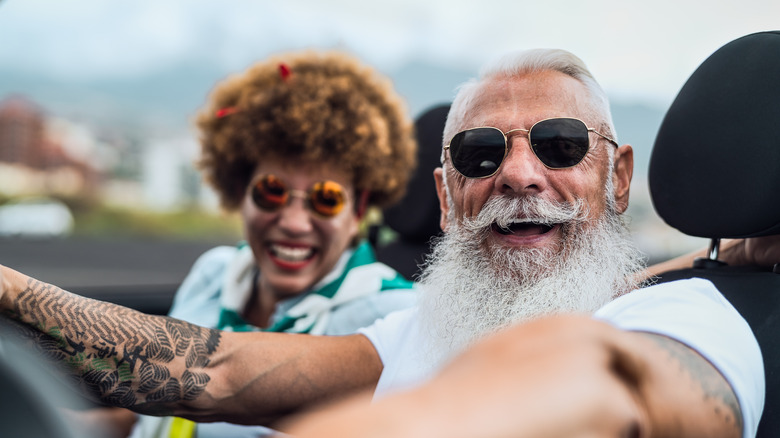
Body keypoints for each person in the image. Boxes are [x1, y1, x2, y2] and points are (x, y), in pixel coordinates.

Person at [0, 48, 773, 438]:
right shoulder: (420, 325)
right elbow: (221, 371)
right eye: (478, 154)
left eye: (561, 145)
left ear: (617, 177)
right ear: (445, 195)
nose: (518, 175)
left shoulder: (691, 318)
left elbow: (617, 383)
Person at [89, 50, 420, 438]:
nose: (295, 223)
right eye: (271, 191)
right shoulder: (214, 273)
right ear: (240, 191)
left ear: (358, 211)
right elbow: (146, 422)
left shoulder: (396, 318)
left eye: (326, 198)